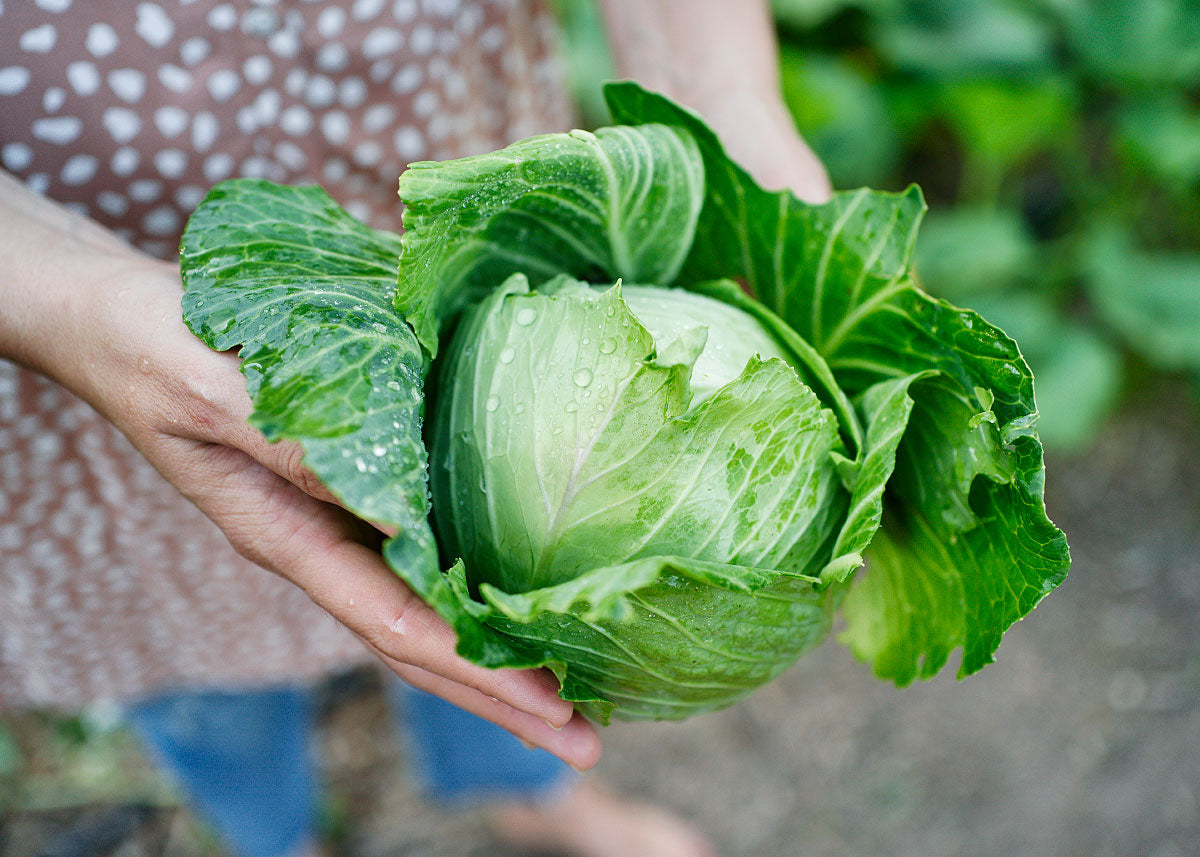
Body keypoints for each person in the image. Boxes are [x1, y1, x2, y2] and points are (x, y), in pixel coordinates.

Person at [0, 1, 830, 855]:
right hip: (82, 353)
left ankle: (529, 793)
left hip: (466, 192)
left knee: (481, 636)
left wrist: (723, 102)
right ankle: (273, 837)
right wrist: (71, 308)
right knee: (184, 661)